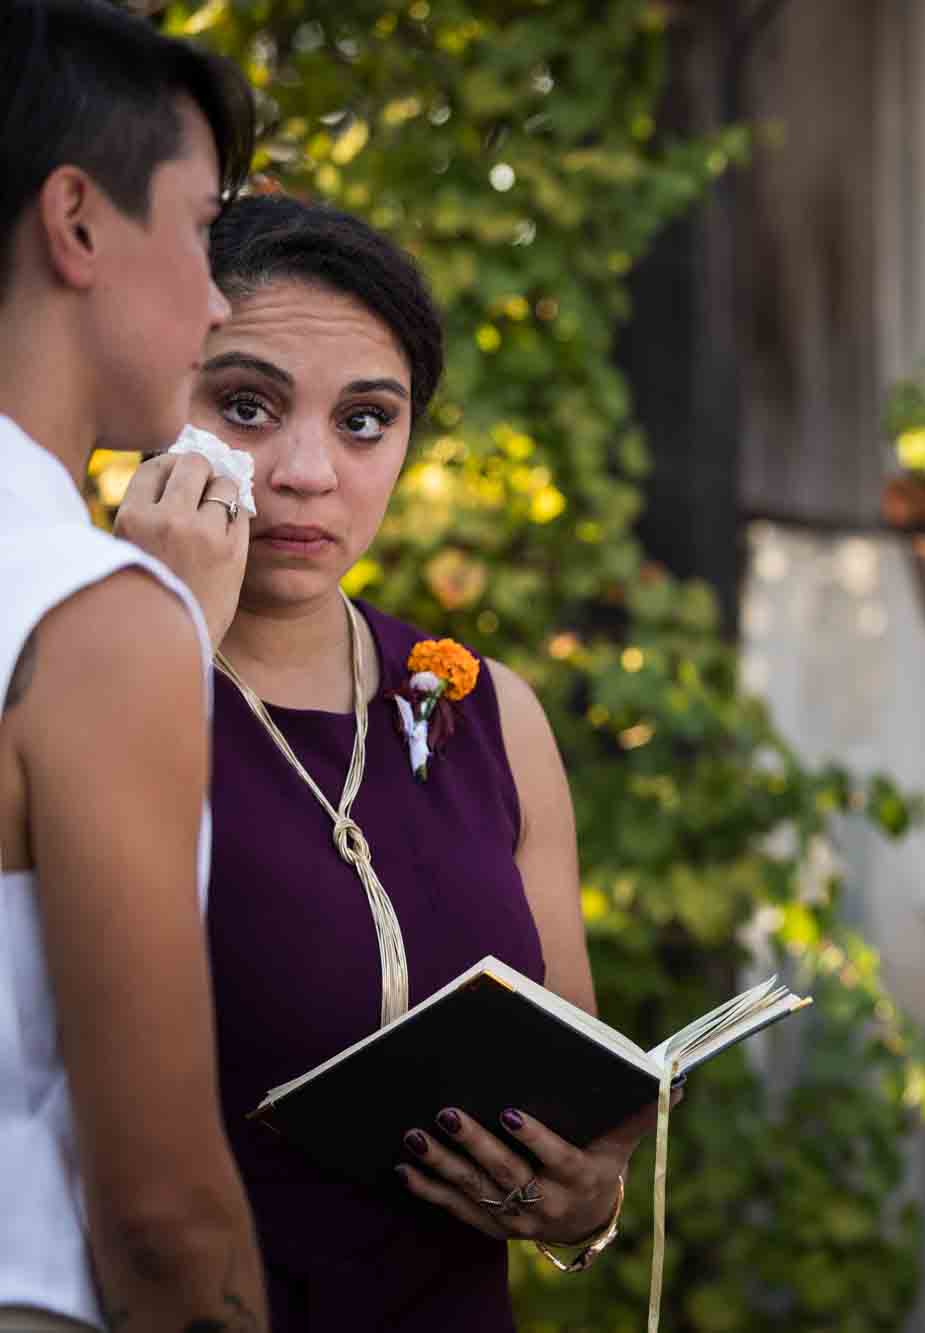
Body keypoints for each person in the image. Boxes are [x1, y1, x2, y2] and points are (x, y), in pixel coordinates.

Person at [115, 193, 664, 1329]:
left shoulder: (489, 713)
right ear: (160, 399)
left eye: (366, 419)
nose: (308, 470)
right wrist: (155, 629)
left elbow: (579, 1098)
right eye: (249, 405)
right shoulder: (66, 678)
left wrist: (582, 1205)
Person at [0, 2, 269, 1329]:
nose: (218, 298)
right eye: (205, 224)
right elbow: (164, 1218)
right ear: (79, 221)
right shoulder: (93, 615)